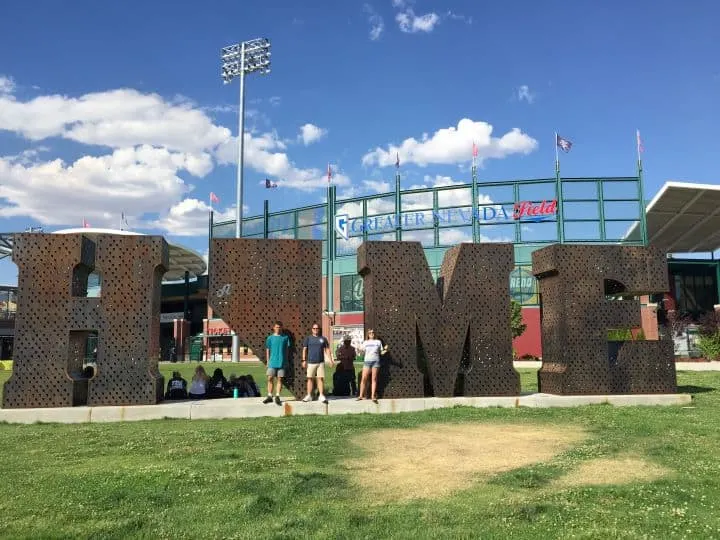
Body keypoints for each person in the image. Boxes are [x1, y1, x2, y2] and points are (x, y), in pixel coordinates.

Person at [301, 323, 334, 403]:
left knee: (320, 378)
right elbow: (304, 350)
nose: (316, 330)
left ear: (319, 329)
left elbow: (327, 350)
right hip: (311, 362)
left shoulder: (323, 339)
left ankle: (321, 395)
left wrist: (330, 360)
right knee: (310, 378)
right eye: (314, 328)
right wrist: (304, 360)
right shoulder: (308, 338)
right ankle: (309, 395)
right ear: (312, 329)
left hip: (320, 362)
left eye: (317, 328)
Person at [357, 329, 387, 403]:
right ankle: (361, 395)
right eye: (370, 333)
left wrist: (385, 350)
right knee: (364, 378)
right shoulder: (365, 342)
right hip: (367, 362)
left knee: (374, 379)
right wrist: (359, 349)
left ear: (374, 334)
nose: (371, 334)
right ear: (368, 334)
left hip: (375, 362)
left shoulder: (378, 342)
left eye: (373, 332)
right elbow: (361, 351)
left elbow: (381, 352)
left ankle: (373, 396)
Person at [263, 321, 289, 405]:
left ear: (281, 328)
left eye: (279, 327)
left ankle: (277, 396)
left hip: (282, 362)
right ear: (274, 328)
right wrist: (267, 361)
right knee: (270, 378)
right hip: (272, 362)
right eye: (276, 327)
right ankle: (270, 396)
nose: (278, 328)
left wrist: (286, 360)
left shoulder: (285, 338)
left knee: (280, 379)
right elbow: (268, 350)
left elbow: (287, 350)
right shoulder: (270, 338)